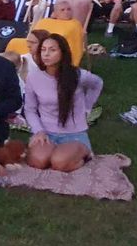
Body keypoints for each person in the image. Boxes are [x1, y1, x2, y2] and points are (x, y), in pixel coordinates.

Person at [24, 34, 103, 172]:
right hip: (46, 132)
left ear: (62, 53)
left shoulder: (77, 75)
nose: (46, 54)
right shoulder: (33, 77)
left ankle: (83, 154)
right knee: (38, 162)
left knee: (58, 163)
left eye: (52, 50)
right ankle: (58, 153)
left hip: (74, 133)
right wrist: (39, 131)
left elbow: (97, 83)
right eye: (43, 50)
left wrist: (87, 108)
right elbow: (30, 110)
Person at [6, 0, 85, 66]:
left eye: (69, 9)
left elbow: (75, 43)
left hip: (52, 47)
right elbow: (34, 34)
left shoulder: (75, 24)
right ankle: (8, 63)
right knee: (14, 42)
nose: (66, 12)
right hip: (35, 43)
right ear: (55, 13)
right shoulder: (45, 21)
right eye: (62, 10)